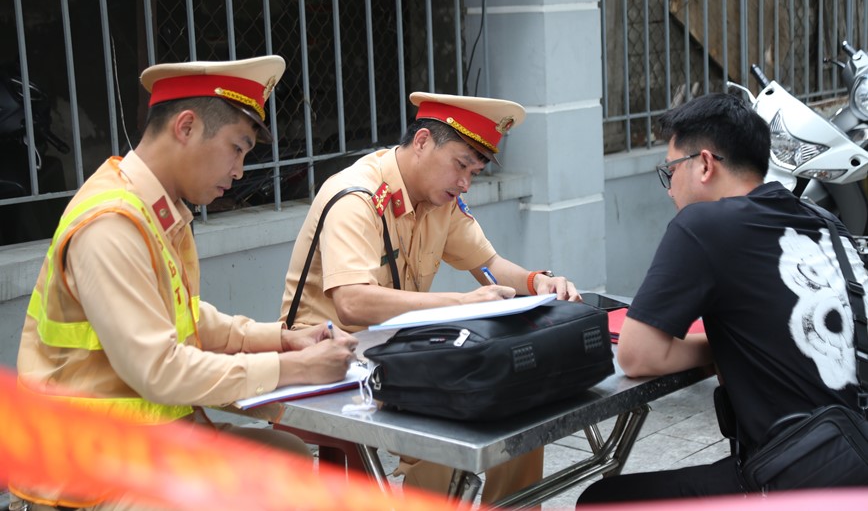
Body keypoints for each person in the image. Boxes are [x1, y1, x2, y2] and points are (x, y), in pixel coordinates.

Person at [10, 56, 358, 511]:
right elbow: (159, 369)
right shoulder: (111, 223)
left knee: (290, 461)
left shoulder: (154, 208)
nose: (239, 171)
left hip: (149, 446)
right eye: (238, 148)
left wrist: (280, 340)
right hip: (89, 470)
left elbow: (184, 315)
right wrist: (297, 368)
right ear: (187, 127)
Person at [279, 91, 581, 504]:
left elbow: (488, 263)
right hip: (329, 358)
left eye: (474, 172)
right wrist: (462, 304)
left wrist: (538, 281)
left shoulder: (440, 200)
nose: (464, 183)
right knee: (461, 419)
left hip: (397, 352)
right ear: (421, 142)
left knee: (519, 405)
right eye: (460, 165)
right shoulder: (356, 197)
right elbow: (352, 303)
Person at [577, 92, 867, 503]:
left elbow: (637, 355)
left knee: (601, 500)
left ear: (705, 164)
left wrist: (718, 346)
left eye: (670, 171)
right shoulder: (825, 223)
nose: (669, 189)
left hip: (792, 480)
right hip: (852, 455)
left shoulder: (704, 223)